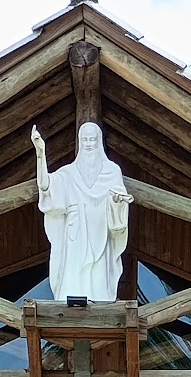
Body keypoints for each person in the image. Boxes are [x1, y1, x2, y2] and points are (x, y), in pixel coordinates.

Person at [31, 122, 132, 301]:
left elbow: (118, 199)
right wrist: (40, 155)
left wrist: (117, 202)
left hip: (101, 233)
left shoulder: (112, 171)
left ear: (99, 141)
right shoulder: (69, 173)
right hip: (75, 235)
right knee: (73, 275)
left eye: (92, 139)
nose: (88, 143)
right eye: (85, 139)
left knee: (99, 276)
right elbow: (46, 187)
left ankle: (100, 302)